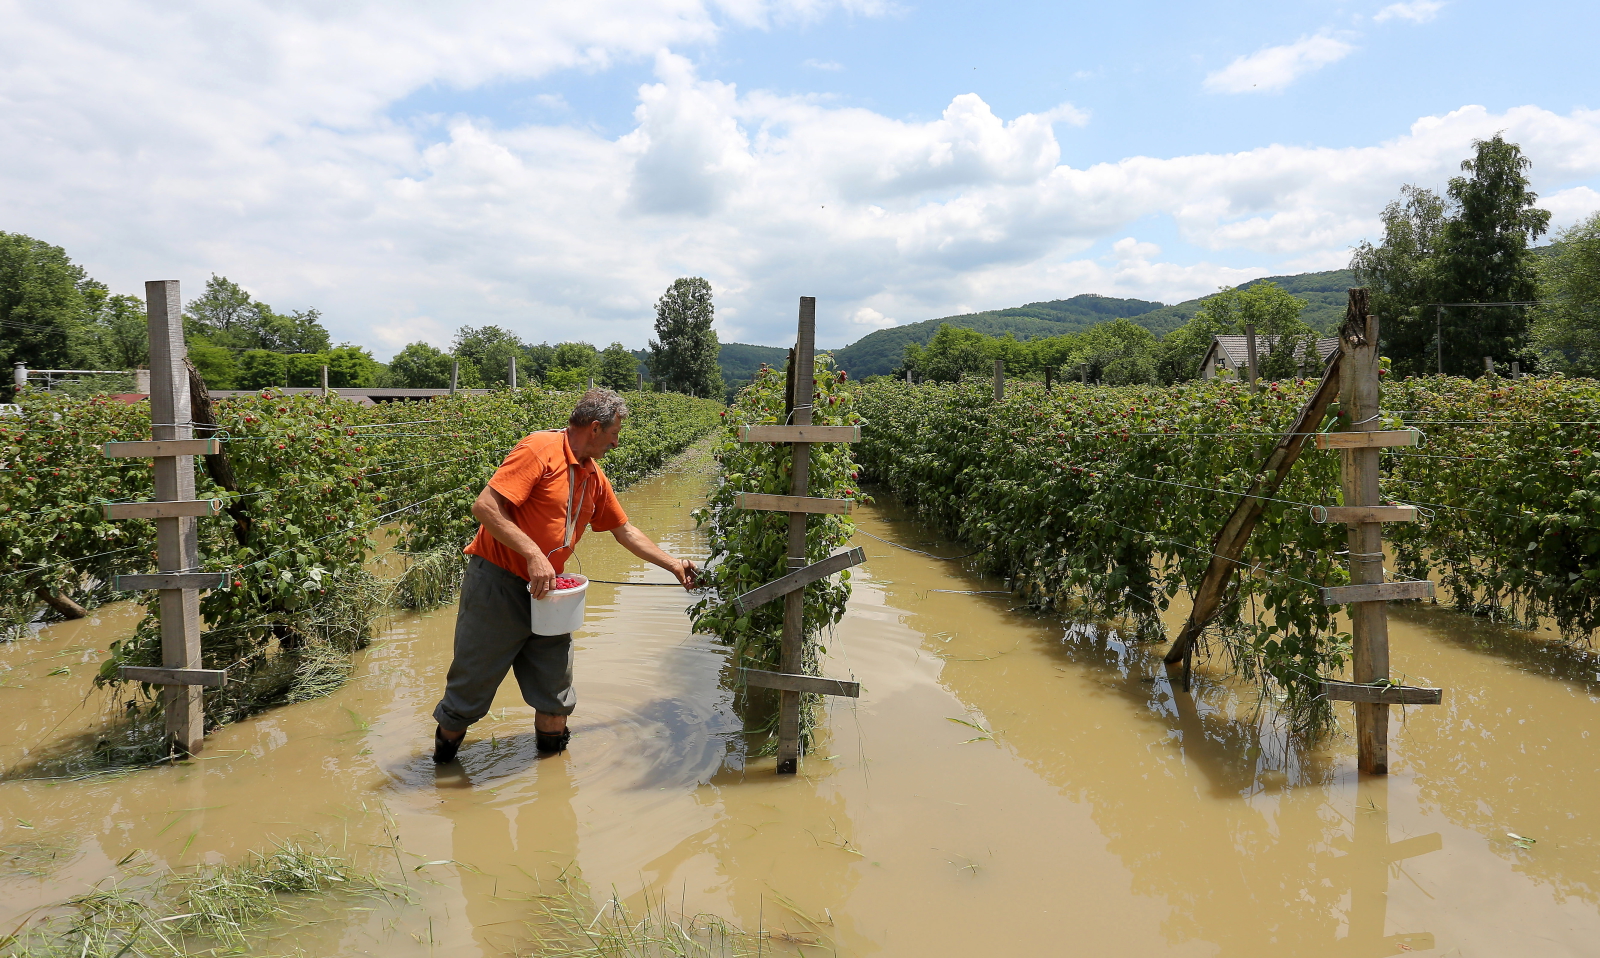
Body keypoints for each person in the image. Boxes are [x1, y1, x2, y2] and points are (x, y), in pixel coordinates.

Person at [431, 388, 697, 763]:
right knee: (468, 695)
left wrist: (673, 564)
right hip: (498, 585)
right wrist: (534, 554)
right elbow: (485, 507)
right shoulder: (540, 449)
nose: (617, 442)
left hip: (550, 594)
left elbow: (624, 531)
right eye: (614, 433)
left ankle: (552, 787)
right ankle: (442, 775)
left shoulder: (592, 475)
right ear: (594, 427)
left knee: (556, 695)